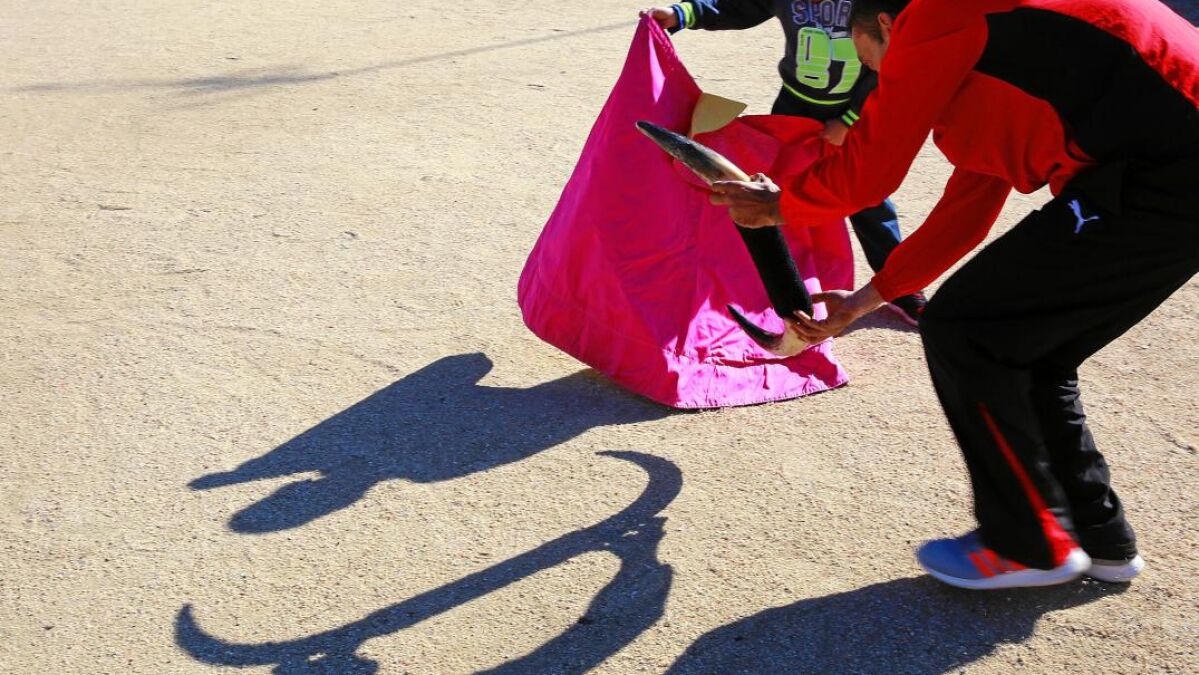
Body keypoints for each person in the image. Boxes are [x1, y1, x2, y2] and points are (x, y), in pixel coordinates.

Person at [710, 0, 1199, 590]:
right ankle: (1101, 538)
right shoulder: (994, 61)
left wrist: (779, 206)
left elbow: (870, 173)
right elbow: (967, 209)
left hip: (1167, 166)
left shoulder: (933, 12)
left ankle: (1028, 546)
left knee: (964, 329)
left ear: (888, 25)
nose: (883, 84)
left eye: (875, 65)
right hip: (1162, 169)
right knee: (1034, 352)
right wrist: (865, 300)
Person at [641, 1, 929, 325]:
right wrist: (684, 14)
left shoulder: (866, 6)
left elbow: (888, 60)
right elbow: (740, 6)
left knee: (868, 199)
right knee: (778, 196)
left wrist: (850, 119)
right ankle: (785, 285)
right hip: (793, 111)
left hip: (852, 117)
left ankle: (900, 285)